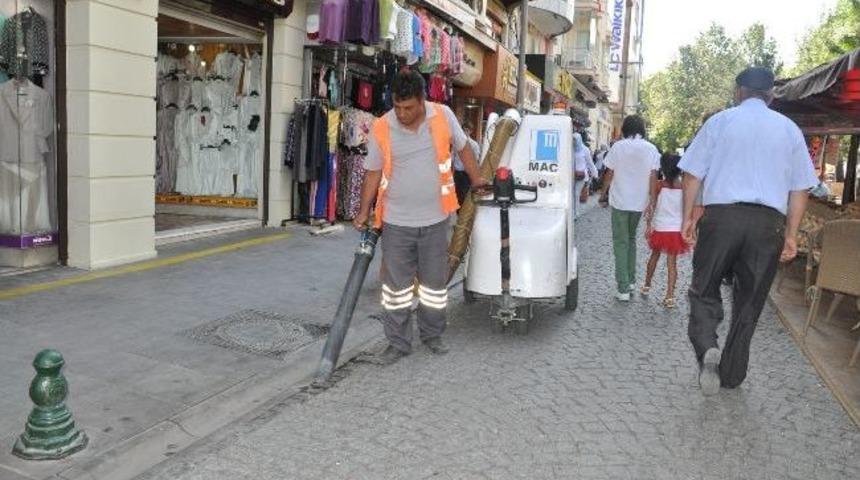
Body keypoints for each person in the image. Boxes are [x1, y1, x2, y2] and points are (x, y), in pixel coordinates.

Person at [679, 67, 818, 395]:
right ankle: (731, 372)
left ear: (738, 91)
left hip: (722, 218)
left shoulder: (720, 122)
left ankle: (706, 345)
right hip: (767, 223)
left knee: (704, 287)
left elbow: (692, 174)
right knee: (751, 299)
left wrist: (688, 216)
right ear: (771, 96)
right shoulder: (789, 130)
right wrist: (791, 233)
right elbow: (801, 189)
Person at [353, 70, 485, 365]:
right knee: (395, 289)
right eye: (397, 107)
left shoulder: (443, 116)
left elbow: (463, 148)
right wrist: (363, 211)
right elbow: (373, 171)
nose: (402, 113)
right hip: (397, 221)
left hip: (436, 218)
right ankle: (397, 343)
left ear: (423, 100)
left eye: (409, 107)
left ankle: (432, 334)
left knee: (434, 285)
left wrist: (476, 181)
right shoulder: (382, 126)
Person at [599, 116, 661, 302]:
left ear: (625, 128)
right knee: (631, 239)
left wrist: (603, 194)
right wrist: (652, 201)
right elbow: (653, 176)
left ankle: (623, 286)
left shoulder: (618, 147)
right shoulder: (651, 149)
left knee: (621, 242)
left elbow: (609, 173)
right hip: (639, 201)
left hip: (620, 200)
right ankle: (631, 280)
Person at [642, 153, 689, 308]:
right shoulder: (684, 187)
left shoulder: (659, 185)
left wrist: (648, 225)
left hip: (661, 227)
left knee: (654, 257)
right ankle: (670, 296)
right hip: (675, 229)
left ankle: (647, 285)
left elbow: (652, 206)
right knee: (672, 263)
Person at [453, 124, 482, 206]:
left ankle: (466, 215)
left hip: (467, 174)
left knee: (466, 195)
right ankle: (459, 215)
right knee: (457, 195)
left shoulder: (474, 145)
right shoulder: (456, 144)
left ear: (470, 131)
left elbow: (476, 160)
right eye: (463, 130)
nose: (464, 132)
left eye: (467, 130)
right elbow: (453, 157)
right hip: (458, 173)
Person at [573, 132, 598, 218]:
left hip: (581, 176)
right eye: (573, 139)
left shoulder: (585, 150)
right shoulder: (570, 149)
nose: (574, 141)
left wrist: (595, 174)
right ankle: (572, 212)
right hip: (571, 176)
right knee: (571, 194)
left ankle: (576, 213)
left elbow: (590, 163)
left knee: (576, 193)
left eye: (575, 139)